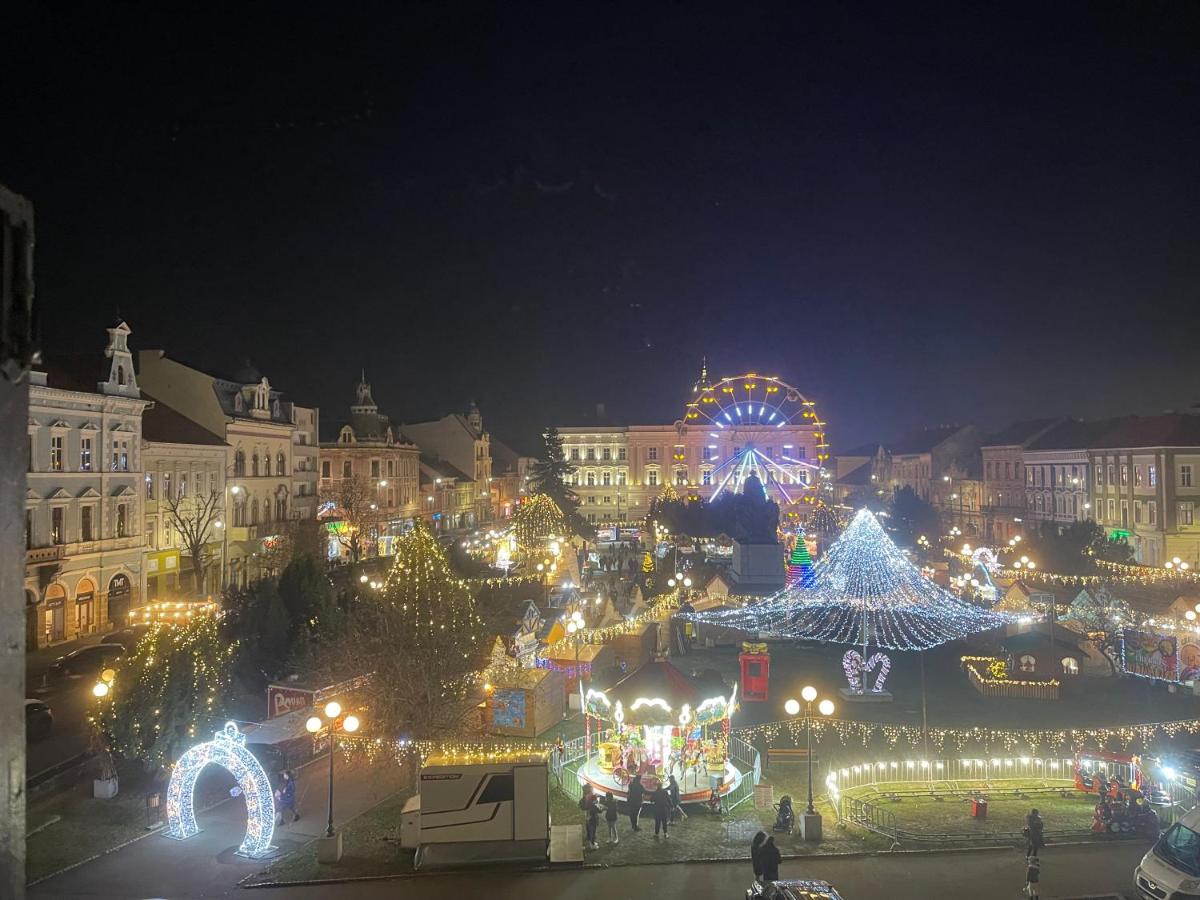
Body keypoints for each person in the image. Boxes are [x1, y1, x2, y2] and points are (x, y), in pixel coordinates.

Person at [580, 785, 599, 850]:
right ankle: (592, 844)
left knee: (588, 828)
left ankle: (589, 840)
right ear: (589, 791)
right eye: (592, 790)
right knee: (593, 831)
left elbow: (582, 806)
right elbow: (594, 808)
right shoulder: (591, 798)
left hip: (587, 817)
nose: (593, 791)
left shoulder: (585, 798)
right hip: (592, 817)